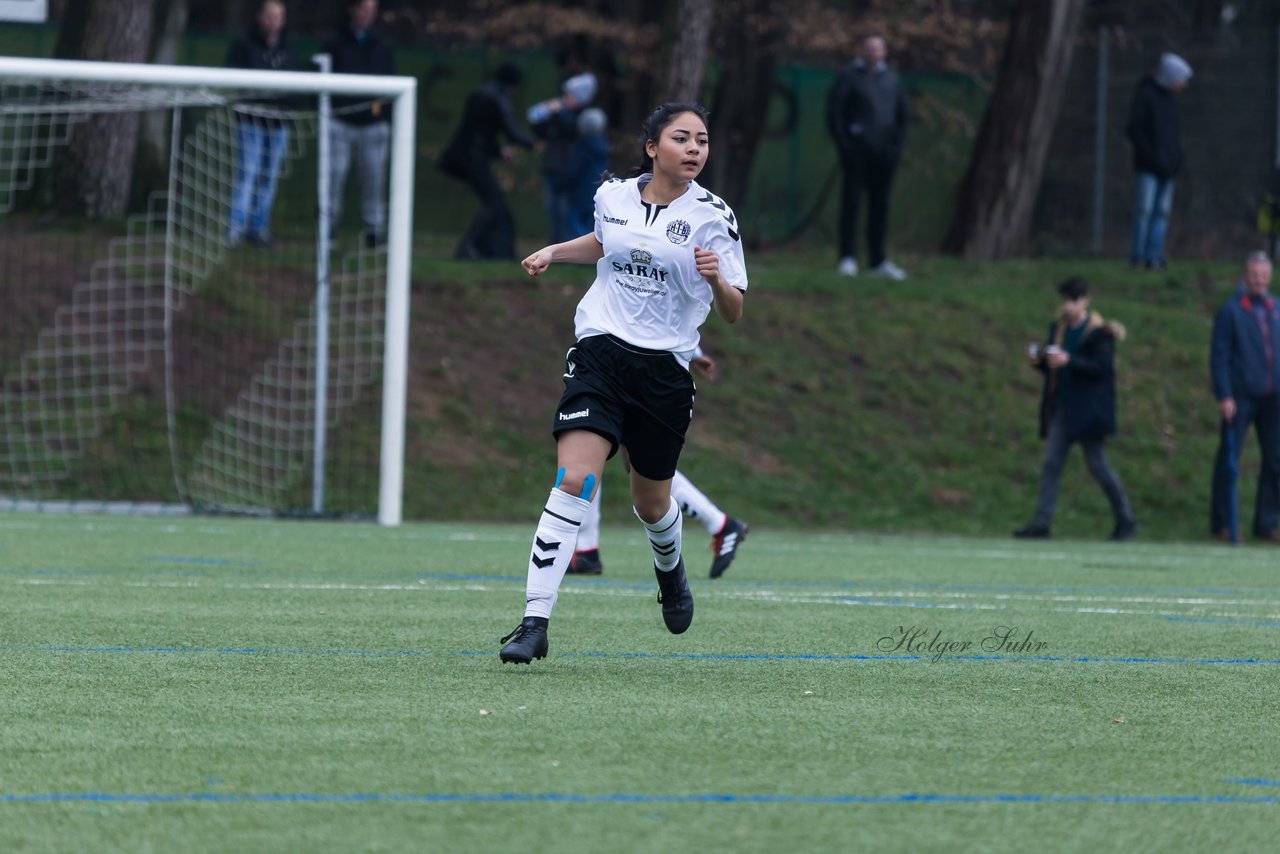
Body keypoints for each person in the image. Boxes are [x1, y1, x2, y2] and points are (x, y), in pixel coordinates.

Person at [498, 102, 748, 665]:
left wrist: (719, 283)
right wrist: (555, 252)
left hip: (663, 373)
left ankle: (671, 571)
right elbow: (606, 241)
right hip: (600, 355)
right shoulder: (611, 195)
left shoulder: (715, 216)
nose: (694, 149)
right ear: (652, 147)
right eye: (681, 138)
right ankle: (534, 623)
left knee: (652, 502)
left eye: (702, 141)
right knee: (575, 479)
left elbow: (733, 309)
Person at [569, 349, 749, 579]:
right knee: (622, 458)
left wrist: (694, 352)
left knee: (614, 453)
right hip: (625, 363)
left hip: (637, 368)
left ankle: (586, 550)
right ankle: (586, 550)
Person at [1014, 277, 1136, 541]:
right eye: (1065, 300)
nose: (1068, 306)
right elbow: (1053, 367)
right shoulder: (1057, 329)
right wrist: (1039, 361)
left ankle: (1125, 518)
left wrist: (1070, 360)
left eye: (1074, 301)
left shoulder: (1100, 334)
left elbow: (1101, 368)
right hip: (1063, 408)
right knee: (1051, 464)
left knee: (1098, 466)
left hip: (1089, 413)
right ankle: (1041, 522)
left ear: (1085, 302)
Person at [1209, 252, 1280, 544]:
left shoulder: (1277, 307)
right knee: (1229, 460)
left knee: (1276, 461)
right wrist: (1224, 394)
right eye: (1254, 274)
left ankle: (1266, 524)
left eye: (1264, 274)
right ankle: (1222, 523)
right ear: (1245, 275)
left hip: (1274, 398)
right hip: (1240, 396)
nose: (1259, 279)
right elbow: (1220, 355)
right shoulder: (1231, 310)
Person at [826, 33, 909, 281]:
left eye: (878, 49)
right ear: (863, 50)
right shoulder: (849, 77)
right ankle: (847, 258)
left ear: (884, 52)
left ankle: (878, 260)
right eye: (869, 48)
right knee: (851, 204)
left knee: (880, 207)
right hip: (856, 154)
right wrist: (846, 147)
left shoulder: (893, 80)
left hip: (884, 155)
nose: (873, 53)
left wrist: (895, 149)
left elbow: (903, 117)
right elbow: (835, 114)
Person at [438, 63, 535, 260]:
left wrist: (499, 150)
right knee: (493, 202)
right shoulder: (497, 98)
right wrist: (535, 142)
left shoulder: (482, 93)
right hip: (474, 158)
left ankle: (478, 248)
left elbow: (481, 130)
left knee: (493, 202)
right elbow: (511, 131)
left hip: (469, 155)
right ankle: (468, 247)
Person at [321, 0, 396, 249]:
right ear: (351, 10)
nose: (367, 15)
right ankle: (328, 229)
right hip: (340, 123)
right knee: (333, 178)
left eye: (371, 11)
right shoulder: (334, 43)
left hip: (372, 126)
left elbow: (390, 86)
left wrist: (382, 117)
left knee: (374, 181)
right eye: (363, 9)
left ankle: (373, 232)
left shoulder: (381, 45)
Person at [224, 0, 296, 249]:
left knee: (269, 177)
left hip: (278, 123)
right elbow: (233, 80)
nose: (273, 21)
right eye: (270, 16)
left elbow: (294, 87)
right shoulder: (243, 45)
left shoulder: (288, 49)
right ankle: (234, 229)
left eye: (278, 16)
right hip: (251, 120)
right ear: (260, 17)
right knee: (248, 173)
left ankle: (258, 228)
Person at [1125, 52, 1192, 271]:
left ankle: (1154, 258)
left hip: (1168, 169)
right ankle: (1137, 257)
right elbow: (1134, 131)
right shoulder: (1145, 96)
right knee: (1144, 211)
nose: (1184, 84)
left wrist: (1175, 161)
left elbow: (1174, 138)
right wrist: (1153, 158)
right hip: (1148, 167)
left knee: (1161, 213)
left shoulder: (1171, 101)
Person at [527, 72, 598, 244]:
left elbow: (572, 131)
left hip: (568, 173)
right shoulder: (560, 114)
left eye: (569, 95)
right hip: (555, 168)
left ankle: (566, 248)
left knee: (565, 211)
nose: (564, 99)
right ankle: (556, 246)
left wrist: (557, 113)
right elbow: (538, 127)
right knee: (552, 210)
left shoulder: (583, 117)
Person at [552, 106, 611, 241]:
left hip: (579, 193)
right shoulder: (604, 148)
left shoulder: (583, 148)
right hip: (597, 191)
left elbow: (572, 172)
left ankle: (576, 253)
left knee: (574, 224)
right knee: (593, 224)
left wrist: (559, 185)